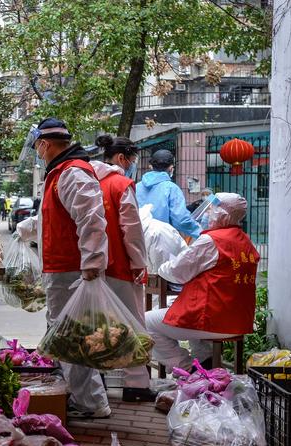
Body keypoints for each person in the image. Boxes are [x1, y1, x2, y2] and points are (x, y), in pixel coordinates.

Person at [16, 118, 110, 419]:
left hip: (71, 270)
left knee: (71, 339)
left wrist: (92, 264)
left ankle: (90, 403)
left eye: (38, 147)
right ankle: (88, 399)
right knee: (70, 337)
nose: (38, 153)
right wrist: (27, 229)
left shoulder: (72, 173)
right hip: (63, 268)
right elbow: (56, 220)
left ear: (46, 144)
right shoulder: (59, 174)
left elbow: (92, 220)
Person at [145, 193, 259, 372]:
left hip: (213, 320)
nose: (207, 214)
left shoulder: (212, 241)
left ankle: (188, 368)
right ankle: (206, 361)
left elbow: (177, 272)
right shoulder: (245, 241)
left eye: (211, 209)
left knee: (147, 322)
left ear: (222, 214)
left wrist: (161, 268)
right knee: (182, 306)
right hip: (238, 321)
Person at [92, 134, 153, 402]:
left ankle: (98, 380)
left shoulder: (86, 181)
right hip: (119, 265)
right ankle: (136, 384)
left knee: (96, 325)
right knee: (132, 323)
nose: (132, 165)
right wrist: (138, 262)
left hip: (92, 266)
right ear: (121, 158)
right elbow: (132, 230)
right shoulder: (121, 185)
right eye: (131, 160)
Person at [136, 149, 201, 239]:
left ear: (151, 167)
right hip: (162, 241)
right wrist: (201, 232)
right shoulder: (171, 189)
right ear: (171, 168)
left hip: (138, 240)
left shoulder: (136, 187)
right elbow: (181, 220)